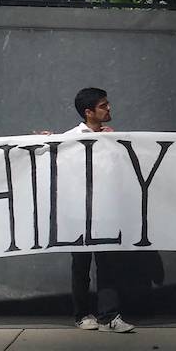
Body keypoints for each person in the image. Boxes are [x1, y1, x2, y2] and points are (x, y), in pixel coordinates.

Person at [66, 87, 136, 333]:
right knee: (81, 265)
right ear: (89, 112)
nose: (109, 109)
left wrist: (113, 144)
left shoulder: (111, 136)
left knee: (108, 264)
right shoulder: (71, 137)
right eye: (103, 106)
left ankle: (110, 316)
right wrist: (44, 142)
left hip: (105, 210)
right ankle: (82, 314)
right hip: (79, 211)